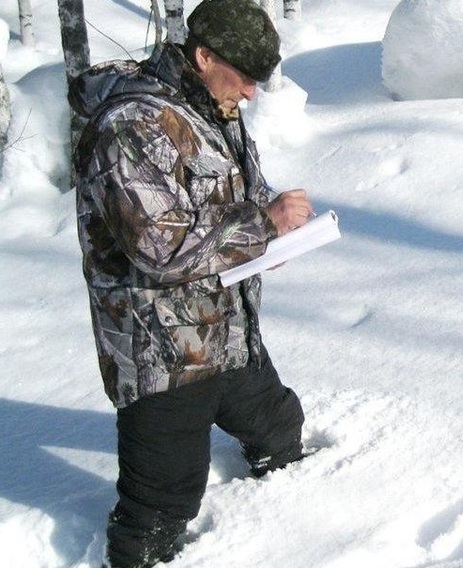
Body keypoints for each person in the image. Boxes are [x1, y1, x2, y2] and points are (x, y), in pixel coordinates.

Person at [68, 1, 314, 565]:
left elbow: (235, 198)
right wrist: (260, 227)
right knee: (160, 505)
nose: (251, 94)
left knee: (278, 427)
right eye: (245, 77)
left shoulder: (213, 107)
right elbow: (159, 246)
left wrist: (271, 234)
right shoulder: (131, 124)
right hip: (162, 353)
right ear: (203, 55)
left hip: (227, 330)